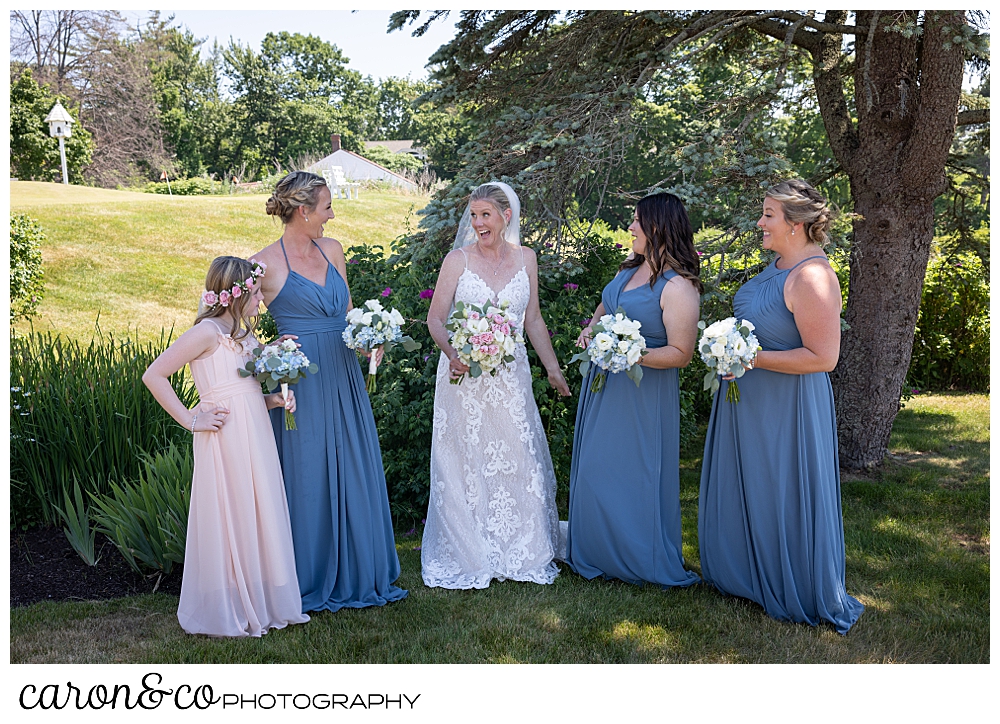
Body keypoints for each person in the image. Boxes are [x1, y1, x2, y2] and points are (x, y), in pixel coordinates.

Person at [698, 179, 864, 634]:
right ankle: (747, 575)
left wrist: (748, 358)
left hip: (787, 406)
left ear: (796, 225)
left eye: (769, 214)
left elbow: (823, 358)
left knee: (781, 486)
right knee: (751, 482)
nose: (760, 222)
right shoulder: (775, 266)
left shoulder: (813, 276)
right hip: (748, 399)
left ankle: (791, 581)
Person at [251, 171, 407, 613]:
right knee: (308, 473)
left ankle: (360, 567)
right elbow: (234, 332)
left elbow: (350, 317)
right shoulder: (263, 265)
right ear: (304, 211)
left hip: (343, 375)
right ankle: (307, 574)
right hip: (302, 385)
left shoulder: (333, 249)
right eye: (326, 206)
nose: (332, 213)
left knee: (353, 465)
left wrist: (369, 340)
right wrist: (269, 353)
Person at [142, 256, 310, 637]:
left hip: (256, 433)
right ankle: (230, 604)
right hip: (224, 435)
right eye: (254, 295)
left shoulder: (245, 336)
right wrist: (191, 419)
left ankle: (260, 599)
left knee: (256, 506)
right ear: (233, 295)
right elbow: (154, 375)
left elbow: (246, 390)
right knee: (231, 507)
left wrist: (274, 400)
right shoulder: (206, 333)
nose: (260, 303)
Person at [421, 181, 571, 589]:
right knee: (466, 460)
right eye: (473, 215)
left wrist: (553, 368)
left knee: (516, 455)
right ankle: (471, 549)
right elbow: (435, 320)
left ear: (507, 215)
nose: (477, 223)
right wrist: (454, 355)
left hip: (510, 375)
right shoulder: (457, 260)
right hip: (463, 375)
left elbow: (533, 320)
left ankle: (523, 548)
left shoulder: (527, 259)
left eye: (485, 214)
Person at [564, 193, 702, 589]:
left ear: (657, 226)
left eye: (636, 221)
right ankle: (596, 553)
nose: (630, 227)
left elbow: (681, 353)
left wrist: (629, 355)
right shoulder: (629, 270)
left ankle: (637, 559)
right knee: (595, 469)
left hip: (643, 396)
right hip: (606, 388)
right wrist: (592, 331)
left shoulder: (678, 287)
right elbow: (605, 309)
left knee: (633, 474)